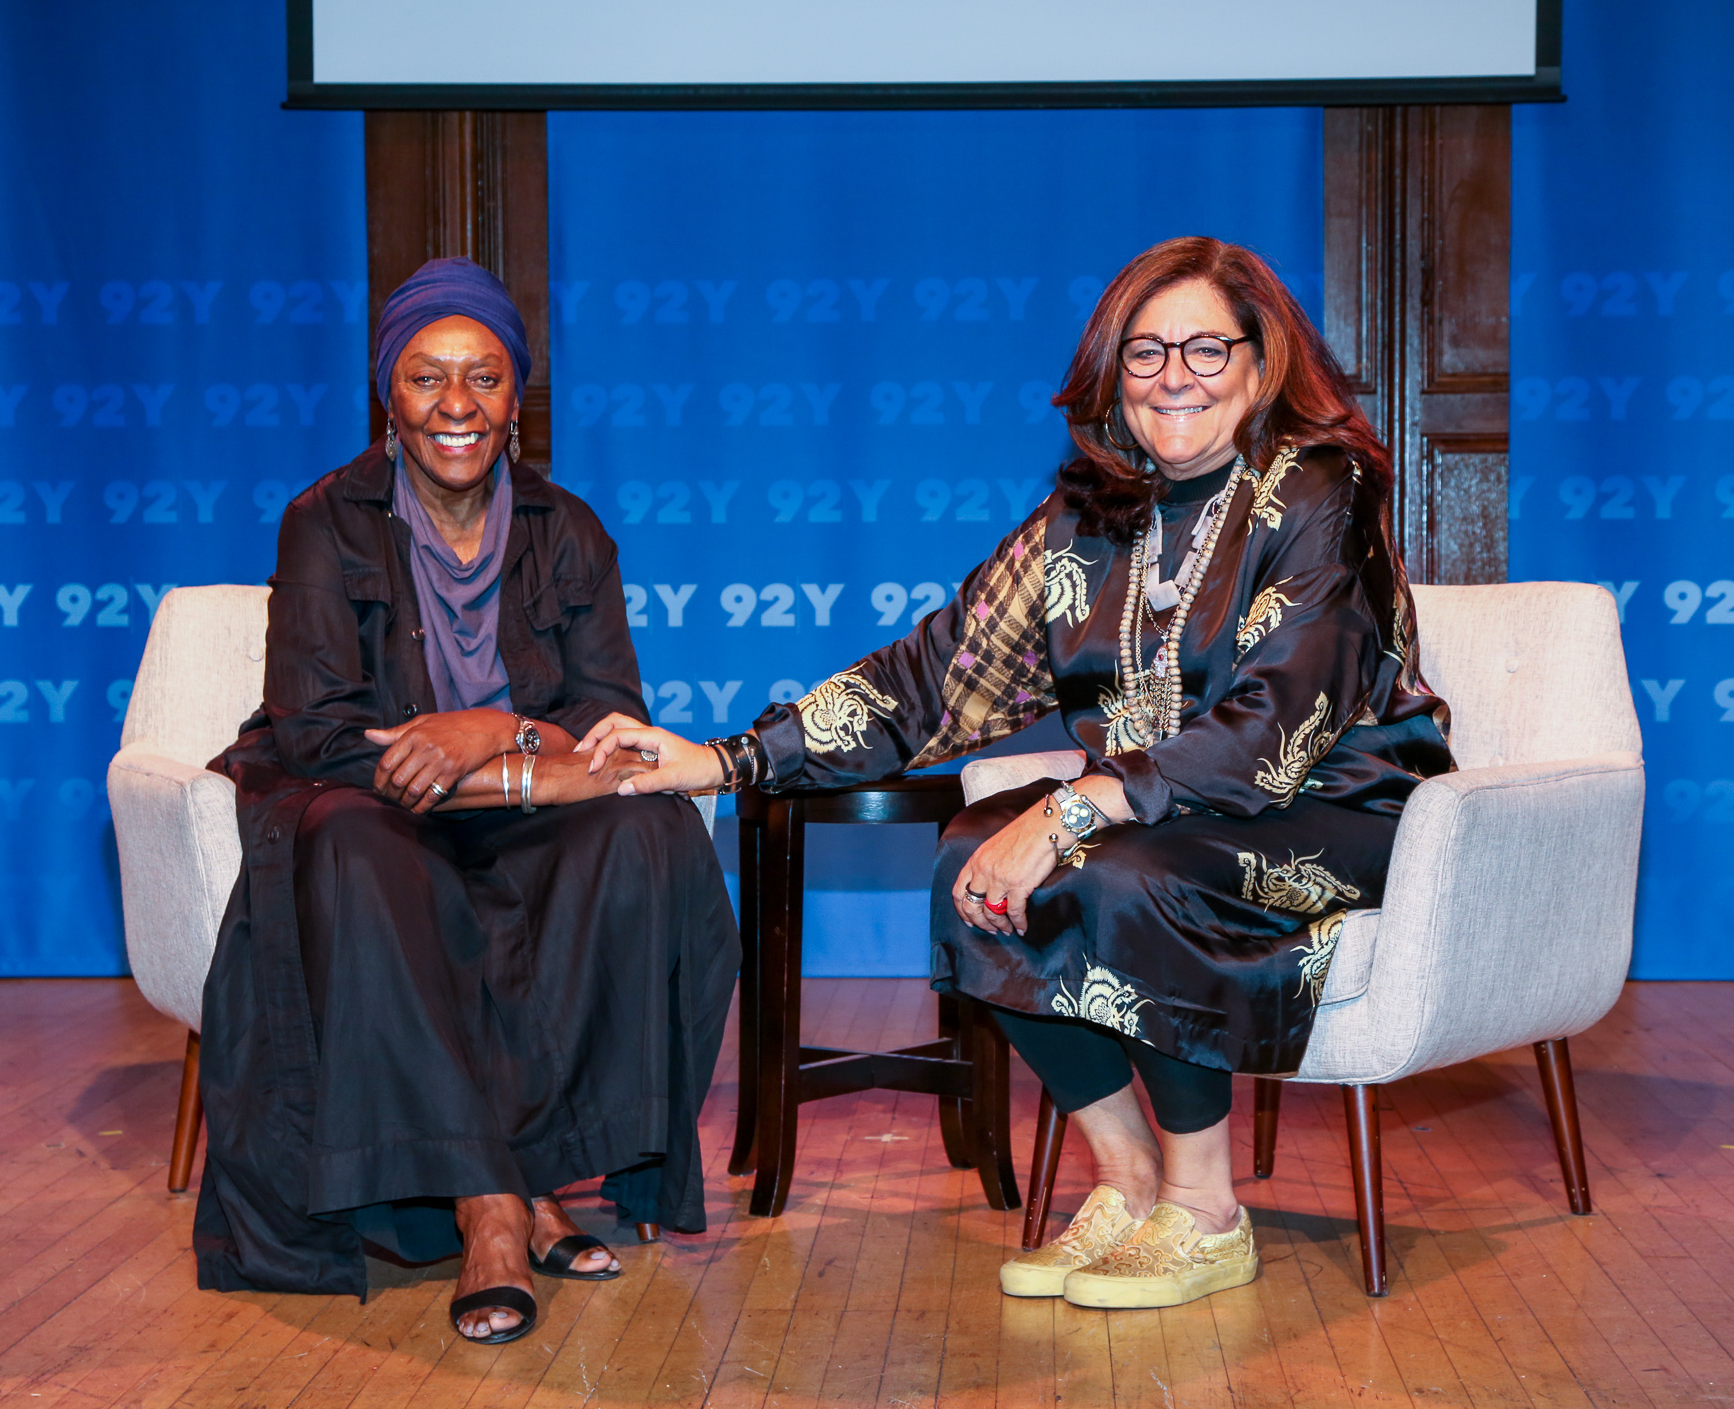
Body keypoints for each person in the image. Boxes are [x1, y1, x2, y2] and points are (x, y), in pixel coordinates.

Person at [580, 236, 1450, 1310]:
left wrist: (1075, 806)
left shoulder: (1326, 488)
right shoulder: (1087, 517)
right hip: (1158, 819)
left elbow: (1284, 714)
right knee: (969, 862)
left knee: (1124, 871)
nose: (1173, 376)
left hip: (1336, 812)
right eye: (1144, 354)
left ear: (1263, 360)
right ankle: (1130, 1189)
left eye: (1205, 350)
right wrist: (726, 758)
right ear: (1110, 374)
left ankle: (1210, 1212)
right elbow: (934, 674)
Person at [193, 257, 739, 1346]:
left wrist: (485, 734)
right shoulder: (326, 520)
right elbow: (315, 729)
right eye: (427, 378)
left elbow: (611, 723)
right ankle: (495, 1209)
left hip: (522, 802)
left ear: (516, 397)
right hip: (377, 812)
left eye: (484, 378)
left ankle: (526, 1174)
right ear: (387, 395)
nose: (456, 405)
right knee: (351, 847)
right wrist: (485, 766)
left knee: (647, 830)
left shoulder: (567, 527)